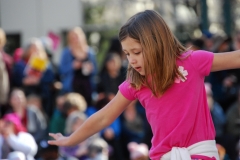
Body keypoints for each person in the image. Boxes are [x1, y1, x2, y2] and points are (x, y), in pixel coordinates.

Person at [47, 9, 240, 159]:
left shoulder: (193, 61)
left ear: (156, 43)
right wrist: (71, 139)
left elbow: (235, 58)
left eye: (137, 52)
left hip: (201, 155)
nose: (131, 60)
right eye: (127, 53)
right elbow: (103, 117)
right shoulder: (135, 82)